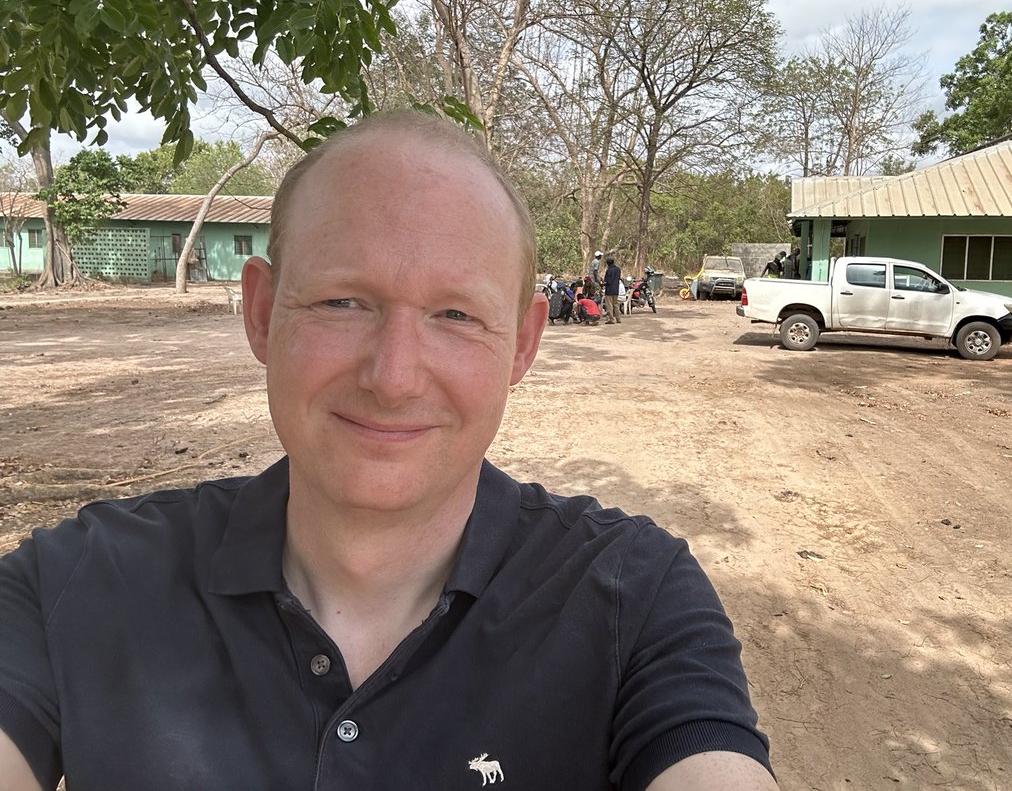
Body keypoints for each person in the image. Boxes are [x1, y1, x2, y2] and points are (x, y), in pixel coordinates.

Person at [0, 110, 775, 791]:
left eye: (456, 315)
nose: (394, 378)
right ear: (262, 314)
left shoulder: (631, 600)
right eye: (344, 302)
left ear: (522, 344)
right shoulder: (76, 583)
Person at [603, 256, 623, 324]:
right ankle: (618, 318)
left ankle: (611, 319)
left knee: (609, 305)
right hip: (616, 289)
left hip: (609, 290)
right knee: (616, 304)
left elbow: (608, 281)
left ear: (607, 263)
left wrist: (603, 284)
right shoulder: (618, 269)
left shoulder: (609, 270)